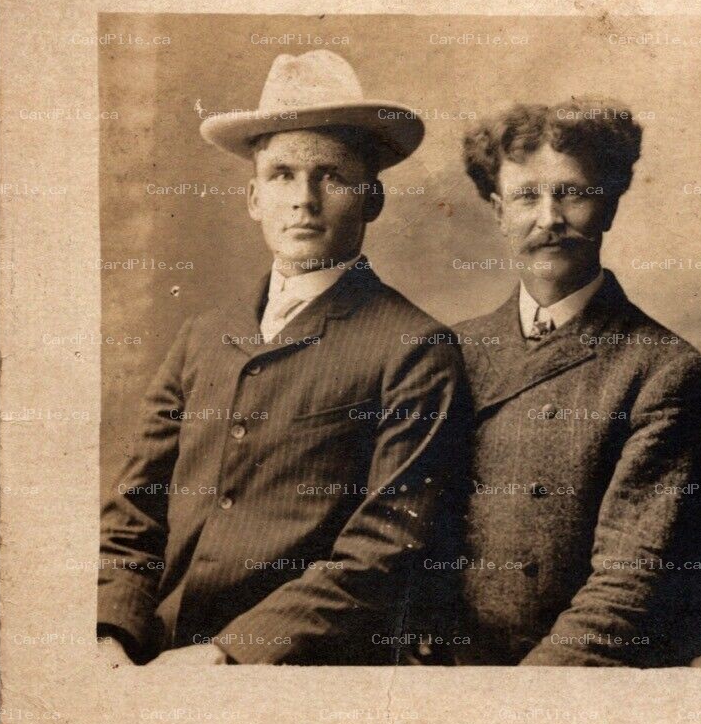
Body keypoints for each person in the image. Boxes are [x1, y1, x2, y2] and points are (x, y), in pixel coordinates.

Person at [97, 49, 471, 666]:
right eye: (282, 176)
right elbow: (135, 507)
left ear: (372, 198)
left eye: (331, 176)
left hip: (298, 672)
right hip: (152, 654)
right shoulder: (204, 335)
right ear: (252, 198)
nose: (304, 199)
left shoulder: (415, 348)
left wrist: (229, 652)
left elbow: (385, 546)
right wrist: (112, 630)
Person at [454, 99, 701, 666]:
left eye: (572, 193)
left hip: (575, 682)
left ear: (608, 205)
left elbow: (630, 580)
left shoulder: (663, 370)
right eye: (527, 196)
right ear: (497, 210)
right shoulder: (453, 352)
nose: (550, 218)